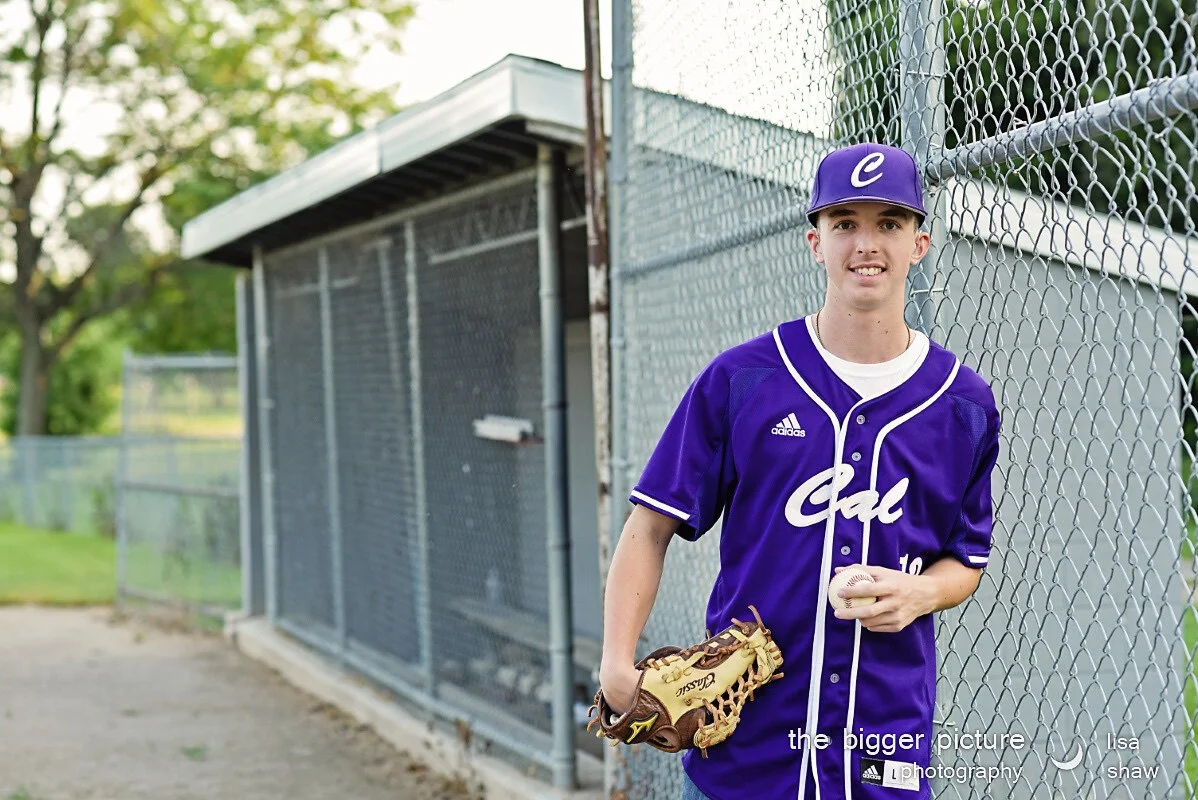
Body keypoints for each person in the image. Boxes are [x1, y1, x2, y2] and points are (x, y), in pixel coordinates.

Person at [597, 142, 1002, 800]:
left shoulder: (963, 405)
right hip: (746, 750)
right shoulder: (744, 379)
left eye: (889, 223)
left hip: (882, 749)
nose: (866, 244)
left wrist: (921, 594)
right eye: (844, 223)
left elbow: (966, 558)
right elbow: (649, 527)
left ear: (920, 243)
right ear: (815, 242)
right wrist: (617, 666)